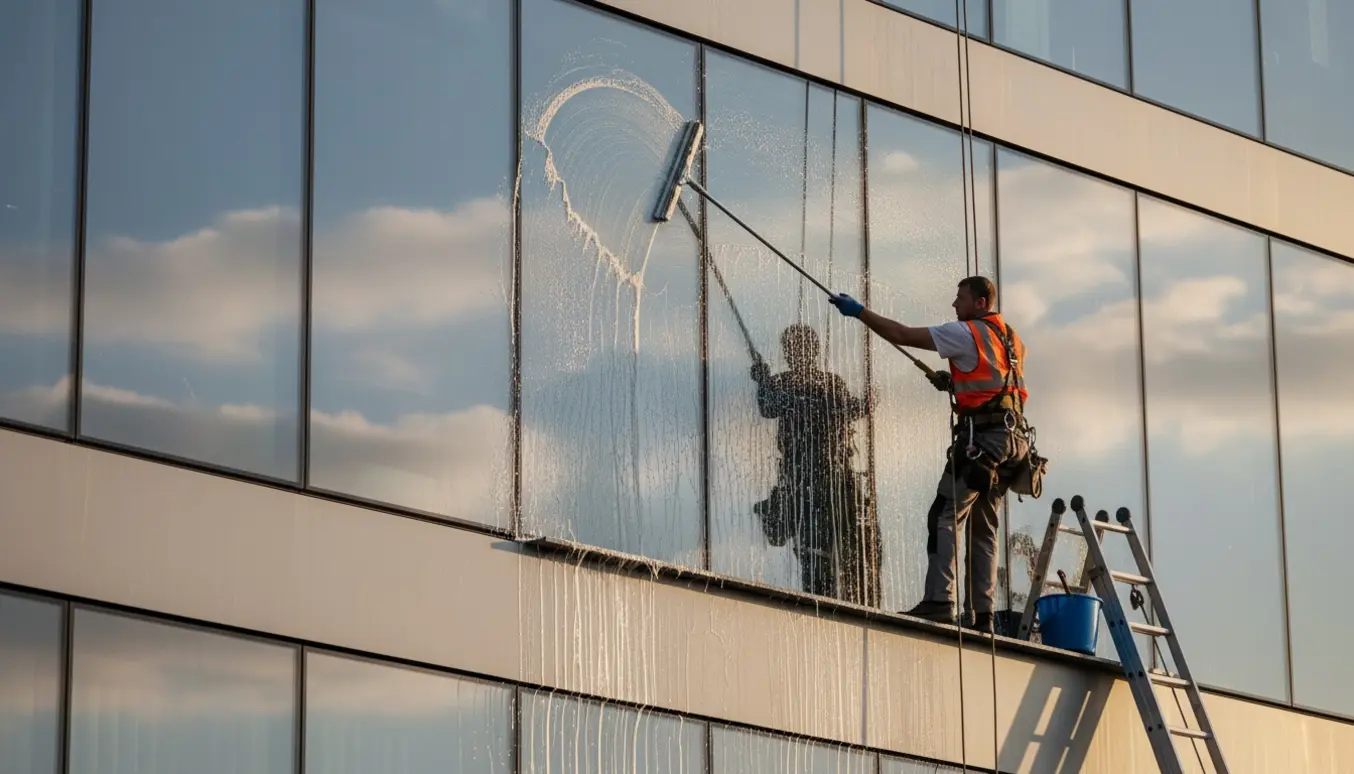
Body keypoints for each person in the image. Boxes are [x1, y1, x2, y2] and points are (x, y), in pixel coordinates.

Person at [828, 277, 1032, 633]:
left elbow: (903, 335)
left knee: (945, 514)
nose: (954, 305)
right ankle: (983, 617)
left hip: (983, 441)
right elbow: (997, 384)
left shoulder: (966, 332)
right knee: (984, 526)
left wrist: (859, 312)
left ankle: (940, 601)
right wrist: (954, 382)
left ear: (981, 303)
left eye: (960, 298)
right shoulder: (1012, 339)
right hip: (1013, 443)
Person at [751, 324, 881, 607]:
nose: (793, 354)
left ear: (811, 351)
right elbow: (769, 407)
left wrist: (864, 405)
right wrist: (763, 382)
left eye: (798, 348)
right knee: (814, 552)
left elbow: (846, 410)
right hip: (807, 479)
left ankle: (837, 600)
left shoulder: (824, 383)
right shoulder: (789, 383)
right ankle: (823, 602)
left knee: (833, 550)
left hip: (828, 480)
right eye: (790, 349)